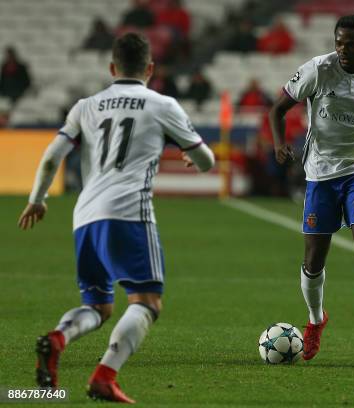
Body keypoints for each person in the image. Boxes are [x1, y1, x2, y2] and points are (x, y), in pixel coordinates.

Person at [18, 33, 215, 403]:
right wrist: (194, 159)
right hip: (129, 213)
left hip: (85, 216)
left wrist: (37, 200)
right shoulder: (161, 104)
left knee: (98, 306)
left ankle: (58, 337)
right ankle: (104, 376)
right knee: (146, 302)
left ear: (111, 68)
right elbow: (207, 160)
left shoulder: (85, 106)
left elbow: (51, 156)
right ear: (150, 69)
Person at [269, 15, 354, 364]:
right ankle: (315, 321)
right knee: (314, 260)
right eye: (339, 42)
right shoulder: (317, 69)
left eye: (351, 44)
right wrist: (280, 144)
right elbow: (277, 110)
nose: (343, 49)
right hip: (321, 172)